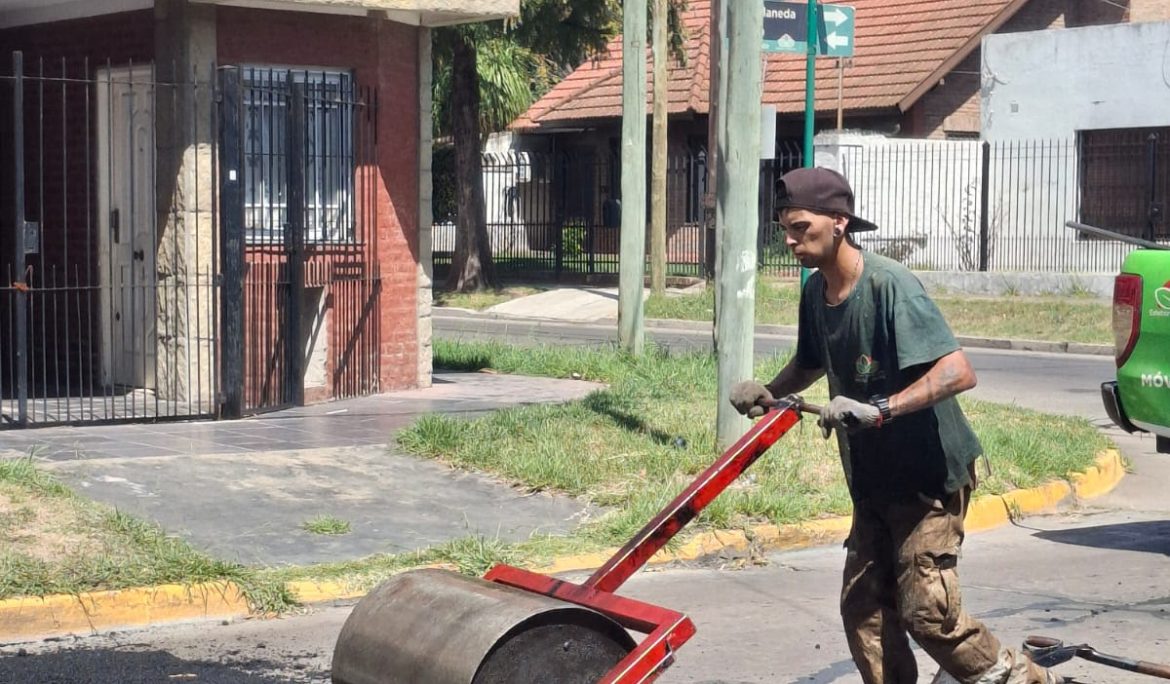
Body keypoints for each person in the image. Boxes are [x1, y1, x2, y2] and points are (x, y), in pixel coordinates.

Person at [729, 167, 1059, 684]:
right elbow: (811, 360)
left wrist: (879, 409)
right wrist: (771, 393)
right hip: (874, 481)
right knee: (863, 609)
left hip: (928, 479)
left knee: (927, 612)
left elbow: (958, 371)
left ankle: (1026, 681)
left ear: (839, 222)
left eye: (800, 227)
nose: (790, 240)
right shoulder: (816, 291)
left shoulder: (889, 284)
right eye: (785, 231)